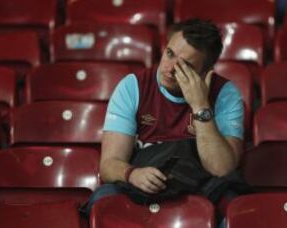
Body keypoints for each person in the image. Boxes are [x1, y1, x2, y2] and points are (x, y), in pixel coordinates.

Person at [84, 18, 244, 220]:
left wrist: (200, 105)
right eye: (170, 54)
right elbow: (108, 165)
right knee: (103, 199)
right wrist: (132, 174)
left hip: (199, 185)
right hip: (143, 182)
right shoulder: (133, 86)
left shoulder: (225, 94)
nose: (169, 68)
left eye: (184, 65)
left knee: (233, 206)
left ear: (204, 73)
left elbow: (222, 169)